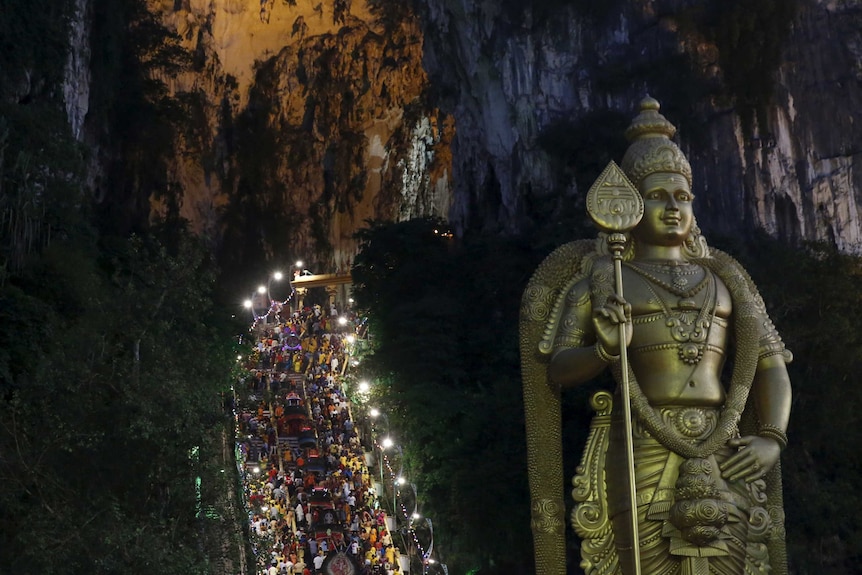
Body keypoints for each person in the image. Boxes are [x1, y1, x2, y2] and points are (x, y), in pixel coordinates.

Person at [521, 97, 792, 575]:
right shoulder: (603, 282)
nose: (672, 208)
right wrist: (604, 348)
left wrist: (771, 436)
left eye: (682, 197)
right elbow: (557, 369)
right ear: (627, 206)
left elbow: (771, 364)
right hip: (640, 441)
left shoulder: (727, 281)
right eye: (658, 196)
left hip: (723, 442)